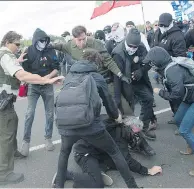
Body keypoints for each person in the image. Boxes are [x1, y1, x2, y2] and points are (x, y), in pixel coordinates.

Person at [54, 49, 138, 188]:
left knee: (64, 153)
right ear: (96, 63)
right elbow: (108, 101)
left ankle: (59, 185)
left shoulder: (69, 75)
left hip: (66, 124)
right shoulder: (96, 76)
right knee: (115, 152)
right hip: (90, 125)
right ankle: (132, 186)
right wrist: (116, 117)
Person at [0, 31, 63, 185]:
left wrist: (46, 78)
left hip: (9, 99)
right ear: (8, 42)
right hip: (22, 92)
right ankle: (4, 172)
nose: (18, 47)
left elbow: (56, 66)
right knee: (11, 129)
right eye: (17, 44)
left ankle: (15, 151)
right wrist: (44, 80)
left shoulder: (12, 55)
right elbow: (22, 75)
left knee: (14, 123)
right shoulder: (7, 55)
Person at [143, 46, 194, 178]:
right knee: (178, 119)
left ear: (158, 61)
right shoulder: (167, 67)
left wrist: (160, 92)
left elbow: (176, 95)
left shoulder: (172, 71)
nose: (150, 65)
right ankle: (191, 145)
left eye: (151, 62)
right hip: (191, 96)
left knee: (184, 130)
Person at [52, 114, 161, 188]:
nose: (136, 136)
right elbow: (127, 160)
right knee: (97, 184)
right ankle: (66, 175)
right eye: (135, 133)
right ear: (129, 128)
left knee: (116, 161)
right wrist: (147, 170)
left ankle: (99, 169)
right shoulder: (120, 136)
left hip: (96, 150)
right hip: (84, 153)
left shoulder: (114, 122)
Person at [19, 28, 60, 157]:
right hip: (34, 86)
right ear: (36, 40)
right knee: (29, 113)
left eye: (45, 40)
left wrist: (48, 77)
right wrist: (36, 79)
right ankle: (26, 141)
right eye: (41, 40)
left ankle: (48, 138)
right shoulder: (28, 51)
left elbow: (56, 68)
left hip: (47, 85)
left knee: (49, 114)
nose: (43, 42)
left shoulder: (50, 50)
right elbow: (23, 71)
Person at [112, 28, 157, 140]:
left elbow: (149, 62)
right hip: (125, 83)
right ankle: (132, 136)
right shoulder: (118, 52)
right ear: (126, 41)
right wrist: (117, 97)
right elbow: (116, 76)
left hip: (139, 81)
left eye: (135, 47)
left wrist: (141, 71)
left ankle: (143, 128)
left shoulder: (141, 46)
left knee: (149, 99)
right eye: (130, 46)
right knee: (129, 111)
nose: (132, 49)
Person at [51, 25, 131, 85]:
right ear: (74, 38)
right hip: (85, 81)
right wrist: (51, 45)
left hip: (102, 78)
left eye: (84, 39)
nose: (82, 42)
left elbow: (108, 61)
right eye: (79, 40)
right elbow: (61, 46)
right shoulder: (70, 45)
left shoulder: (96, 44)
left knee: (115, 103)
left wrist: (120, 75)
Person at [154, 13, 187, 123]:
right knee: (170, 95)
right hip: (163, 71)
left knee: (176, 96)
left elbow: (180, 57)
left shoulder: (177, 36)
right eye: (161, 25)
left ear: (171, 23)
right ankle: (176, 114)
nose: (162, 27)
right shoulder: (158, 32)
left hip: (174, 71)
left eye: (165, 25)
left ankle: (182, 119)